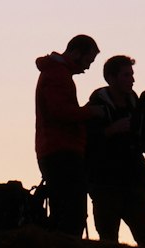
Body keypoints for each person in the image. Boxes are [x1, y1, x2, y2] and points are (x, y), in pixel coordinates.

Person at [85, 54, 145, 247]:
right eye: (126, 75)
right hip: (105, 182)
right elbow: (86, 142)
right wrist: (112, 130)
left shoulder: (135, 104)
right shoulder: (95, 107)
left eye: (131, 75)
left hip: (133, 181)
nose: (132, 79)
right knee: (109, 241)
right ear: (111, 78)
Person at [34, 34, 101, 237]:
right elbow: (60, 112)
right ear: (76, 53)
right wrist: (91, 112)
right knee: (72, 212)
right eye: (88, 60)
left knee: (63, 208)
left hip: (55, 148)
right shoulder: (57, 75)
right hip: (62, 150)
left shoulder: (56, 73)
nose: (88, 67)